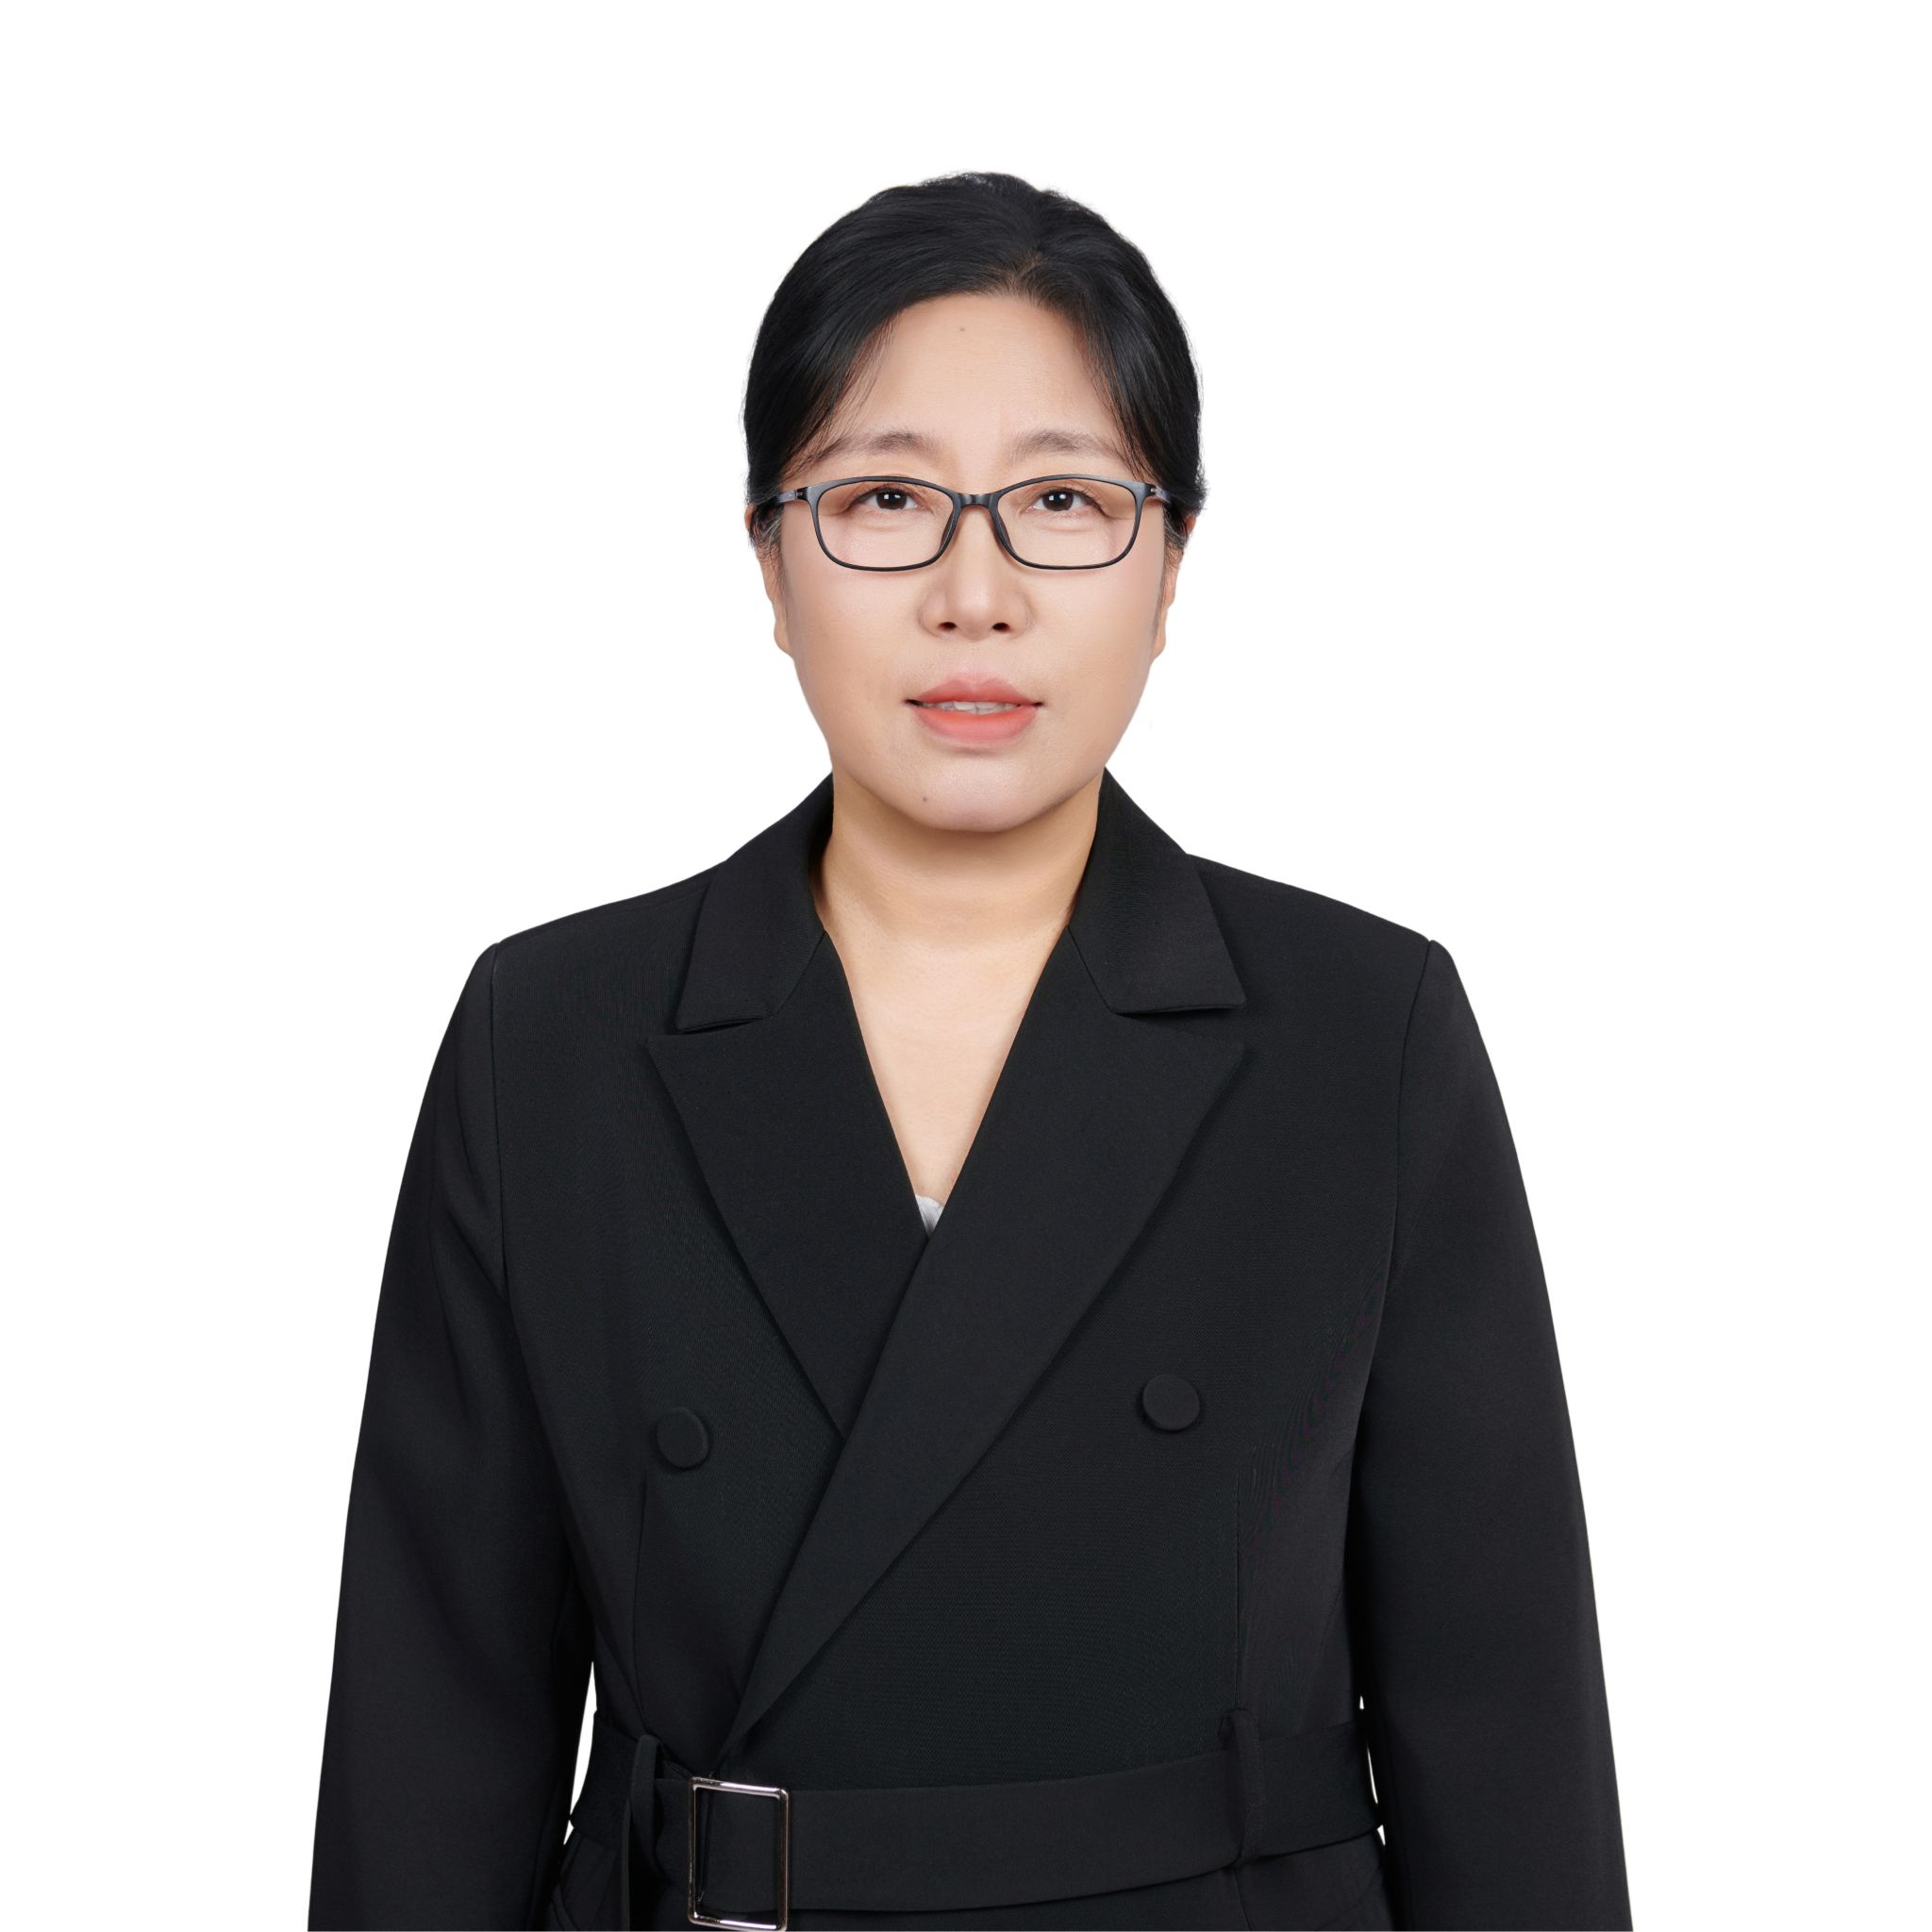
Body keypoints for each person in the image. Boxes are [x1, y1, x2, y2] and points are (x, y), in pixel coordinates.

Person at [308, 170, 1631, 1932]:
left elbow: (1508, 1740)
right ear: (770, 563)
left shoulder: (1361, 1034)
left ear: (1172, 565)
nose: (975, 593)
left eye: (1064, 502)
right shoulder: (551, 1039)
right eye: (885, 501)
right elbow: (430, 1746)